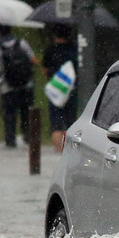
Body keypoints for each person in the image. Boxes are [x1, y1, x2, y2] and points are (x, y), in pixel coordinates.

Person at [0, 24, 38, 148]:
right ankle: (27, 137)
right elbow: (34, 61)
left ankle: (10, 140)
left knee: (9, 113)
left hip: (8, 87)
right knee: (26, 111)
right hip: (26, 85)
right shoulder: (22, 44)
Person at [41, 24, 79, 153]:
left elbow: (45, 71)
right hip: (72, 90)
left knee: (56, 124)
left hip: (56, 91)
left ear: (54, 35)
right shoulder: (75, 50)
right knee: (71, 123)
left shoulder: (50, 50)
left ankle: (58, 151)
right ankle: (68, 151)